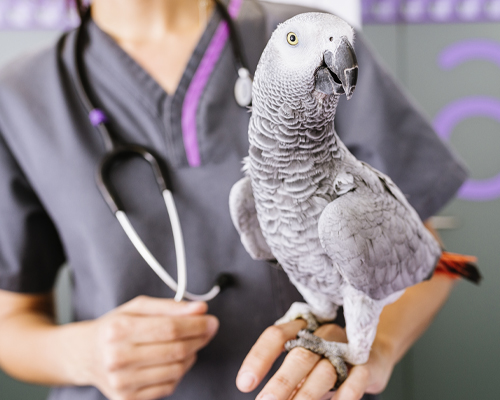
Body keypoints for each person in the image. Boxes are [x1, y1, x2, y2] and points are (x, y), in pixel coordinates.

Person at [0, 1, 467, 400]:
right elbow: (12, 318)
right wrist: (83, 355)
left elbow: (428, 261)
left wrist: (373, 350)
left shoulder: (309, 36)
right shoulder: (20, 96)